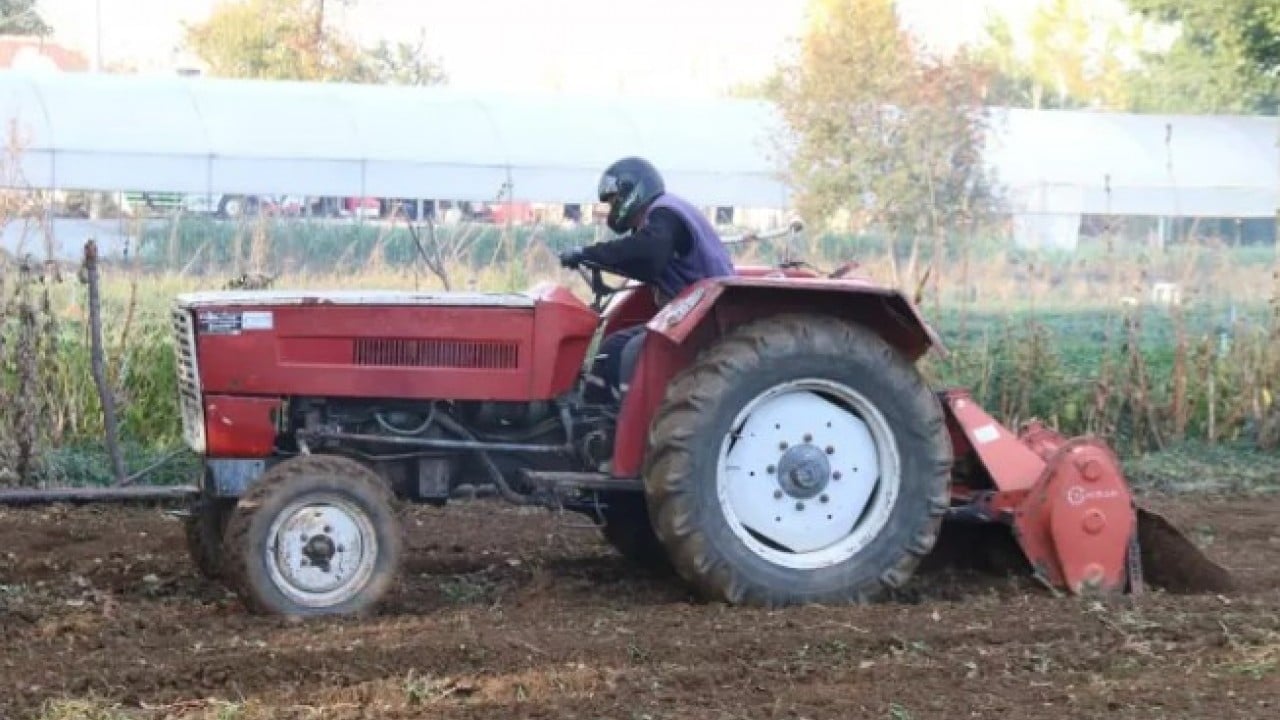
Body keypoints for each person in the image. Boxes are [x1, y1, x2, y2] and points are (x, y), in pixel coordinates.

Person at [559, 157, 735, 404]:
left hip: (707, 316)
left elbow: (649, 253)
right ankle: (593, 417)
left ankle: (632, 427)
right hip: (685, 314)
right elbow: (644, 260)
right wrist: (594, 258)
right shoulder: (659, 216)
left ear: (633, 191)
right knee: (613, 346)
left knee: (635, 352)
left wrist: (587, 253)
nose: (613, 208)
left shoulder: (666, 213)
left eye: (614, 200)